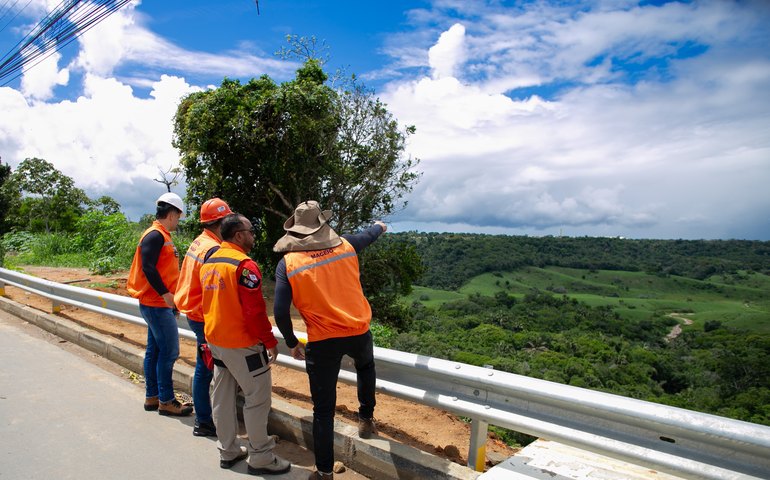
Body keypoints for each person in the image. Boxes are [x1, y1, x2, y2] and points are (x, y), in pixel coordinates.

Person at [272, 200, 387, 480]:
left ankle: (324, 472)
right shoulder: (346, 245)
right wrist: (380, 226)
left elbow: (279, 311)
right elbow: (369, 235)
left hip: (323, 340)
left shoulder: (288, 262)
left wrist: (291, 341)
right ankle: (366, 418)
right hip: (358, 329)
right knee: (365, 368)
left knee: (323, 411)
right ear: (322, 224)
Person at [199, 213, 291, 475]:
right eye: (251, 230)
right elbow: (255, 312)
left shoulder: (210, 260)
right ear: (239, 235)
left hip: (215, 339)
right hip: (241, 344)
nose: (253, 235)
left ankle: (228, 451)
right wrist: (269, 341)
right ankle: (260, 456)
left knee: (222, 395)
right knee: (258, 397)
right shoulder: (244, 266)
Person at [127, 192, 192, 416]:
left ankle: (152, 397)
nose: (178, 221)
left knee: (154, 351)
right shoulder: (155, 235)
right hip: (156, 303)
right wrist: (166, 294)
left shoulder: (161, 235)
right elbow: (148, 267)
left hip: (156, 303)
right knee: (170, 352)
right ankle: (166, 400)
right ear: (172, 214)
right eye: (179, 216)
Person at [174, 197, 232, 437]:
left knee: (205, 365)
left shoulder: (200, 241)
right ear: (219, 222)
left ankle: (206, 418)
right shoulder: (213, 249)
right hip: (203, 315)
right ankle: (205, 421)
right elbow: (214, 288)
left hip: (195, 312)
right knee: (207, 367)